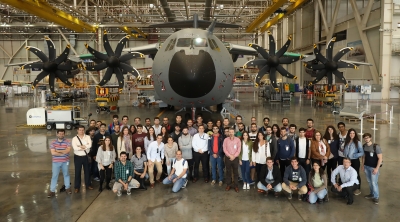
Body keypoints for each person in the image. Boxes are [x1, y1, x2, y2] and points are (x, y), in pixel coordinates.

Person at [48, 129, 72, 197]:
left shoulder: (67, 141)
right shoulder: (53, 142)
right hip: (56, 162)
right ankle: (52, 190)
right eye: (59, 134)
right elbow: (53, 153)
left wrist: (57, 151)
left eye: (62, 134)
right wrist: (63, 152)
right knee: (54, 176)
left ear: (64, 134)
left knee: (66, 174)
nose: (61, 135)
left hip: (65, 162)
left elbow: (68, 151)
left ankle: (67, 188)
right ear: (57, 134)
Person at [362, 133, 382, 204]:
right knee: (369, 182)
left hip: (373, 168)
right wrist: (363, 165)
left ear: (370, 138)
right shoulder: (364, 146)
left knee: (374, 183)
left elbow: (380, 158)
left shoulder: (376, 147)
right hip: (367, 167)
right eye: (365, 138)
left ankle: (376, 197)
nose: (366, 139)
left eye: (367, 137)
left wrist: (377, 168)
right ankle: (372, 194)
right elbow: (364, 157)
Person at [72, 125, 93, 193]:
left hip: (86, 156)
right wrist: (84, 147)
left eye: (82, 130)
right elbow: (75, 148)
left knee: (87, 171)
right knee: (77, 172)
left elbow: (89, 145)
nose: (81, 131)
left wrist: (80, 146)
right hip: (77, 157)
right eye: (80, 130)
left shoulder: (88, 137)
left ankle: (88, 184)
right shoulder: (74, 138)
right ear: (77, 130)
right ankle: (77, 187)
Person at [344, 128, 364, 195]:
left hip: (355, 160)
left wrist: (355, 155)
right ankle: (350, 186)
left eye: (353, 133)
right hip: (348, 161)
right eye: (350, 133)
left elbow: (362, 152)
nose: (352, 134)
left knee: (356, 174)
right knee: (348, 174)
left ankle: (357, 188)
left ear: (355, 134)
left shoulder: (358, 142)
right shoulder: (347, 141)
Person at [223, 128, 241, 192]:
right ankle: (228, 185)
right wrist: (230, 155)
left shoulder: (238, 140)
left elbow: (239, 149)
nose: (231, 133)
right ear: (228, 133)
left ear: (234, 133)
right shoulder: (225, 140)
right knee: (228, 172)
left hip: (235, 158)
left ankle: (236, 186)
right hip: (228, 158)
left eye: (232, 132)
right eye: (229, 132)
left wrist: (234, 156)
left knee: (235, 172)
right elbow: (224, 149)